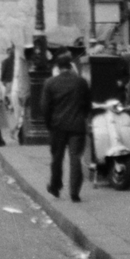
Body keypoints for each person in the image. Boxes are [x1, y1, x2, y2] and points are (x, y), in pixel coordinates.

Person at [41, 54, 93, 202]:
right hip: (77, 125)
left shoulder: (50, 83)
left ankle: (55, 186)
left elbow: (45, 107)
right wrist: (82, 116)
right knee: (75, 158)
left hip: (57, 126)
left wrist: (49, 124)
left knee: (57, 158)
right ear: (70, 66)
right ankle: (74, 192)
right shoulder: (80, 82)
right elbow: (87, 103)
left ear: (57, 67)